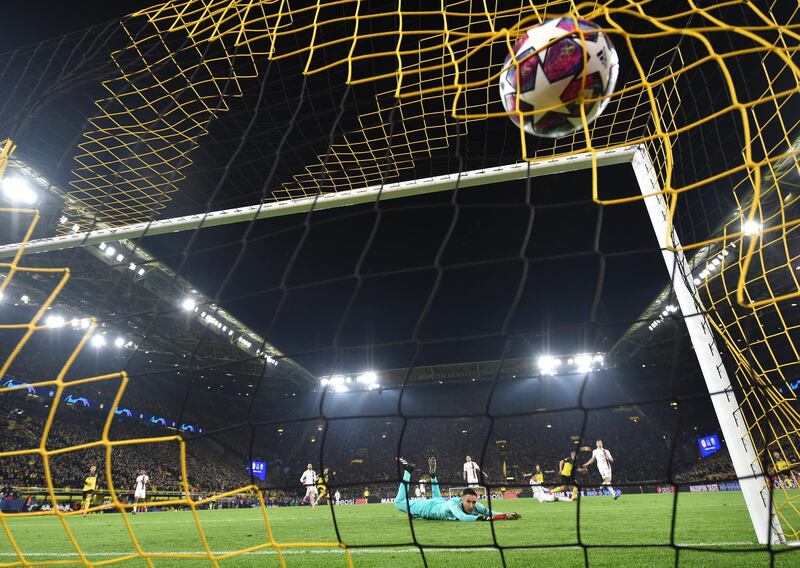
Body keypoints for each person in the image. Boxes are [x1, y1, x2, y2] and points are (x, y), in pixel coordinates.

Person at [394, 456, 520, 522]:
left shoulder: (475, 505)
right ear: (461, 500)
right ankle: (408, 471)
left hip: (439, 502)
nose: (471, 505)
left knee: (437, 497)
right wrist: (485, 519)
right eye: (468, 502)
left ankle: (433, 476)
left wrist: (505, 515)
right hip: (428, 508)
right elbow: (463, 517)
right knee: (399, 503)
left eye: (474, 502)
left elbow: (490, 512)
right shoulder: (455, 506)